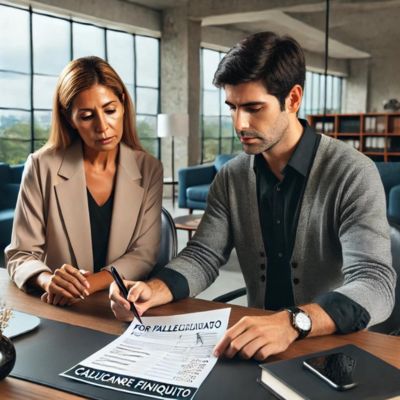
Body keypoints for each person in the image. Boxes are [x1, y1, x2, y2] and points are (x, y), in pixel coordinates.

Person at [110, 32, 396, 360]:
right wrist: (154, 289)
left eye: (253, 107)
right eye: (232, 107)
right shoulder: (232, 176)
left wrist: (293, 321)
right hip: (257, 349)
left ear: (293, 98)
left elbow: (375, 284)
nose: (240, 123)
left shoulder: (353, 173)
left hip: (333, 351)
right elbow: (203, 255)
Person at [6, 56, 163, 307]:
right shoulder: (41, 166)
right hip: (59, 307)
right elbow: (21, 253)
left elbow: (143, 255)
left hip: (122, 307)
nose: (102, 126)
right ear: (70, 119)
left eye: (110, 110)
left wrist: (83, 286)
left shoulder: (149, 168)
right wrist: (48, 280)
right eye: (87, 116)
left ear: (123, 104)